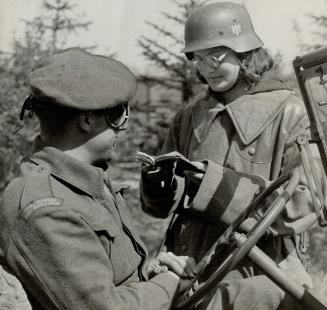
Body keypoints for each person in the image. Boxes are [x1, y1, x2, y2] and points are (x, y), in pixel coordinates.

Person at [140, 2, 321, 309]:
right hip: (189, 276)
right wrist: (158, 191)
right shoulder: (188, 118)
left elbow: (304, 206)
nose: (206, 67)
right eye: (198, 59)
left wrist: (213, 186)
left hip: (260, 280)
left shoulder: (290, 115)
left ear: (245, 51)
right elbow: (164, 211)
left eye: (216, 55)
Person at [0, 47, 198, 310]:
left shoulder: (83, 183)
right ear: (86, 120)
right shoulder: (45, 209)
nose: (125, 126)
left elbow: (107, 280)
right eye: (118, 114)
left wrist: (153, 276)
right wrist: (170, 284)